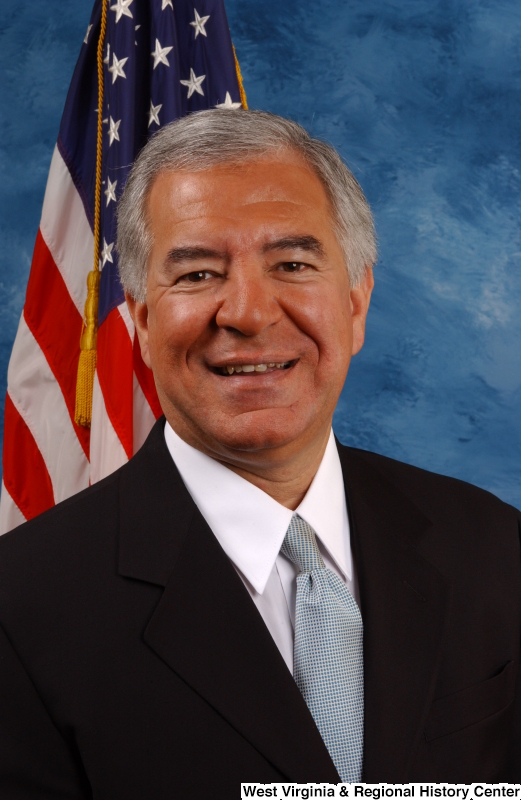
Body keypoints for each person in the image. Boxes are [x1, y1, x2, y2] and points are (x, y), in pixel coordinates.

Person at [0, 110, 519, 798]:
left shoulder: (491, 544)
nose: (246, 312)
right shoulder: (20, 608)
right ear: (144, 324)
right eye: (197, 274)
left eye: (293, 264)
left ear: (356, 303)